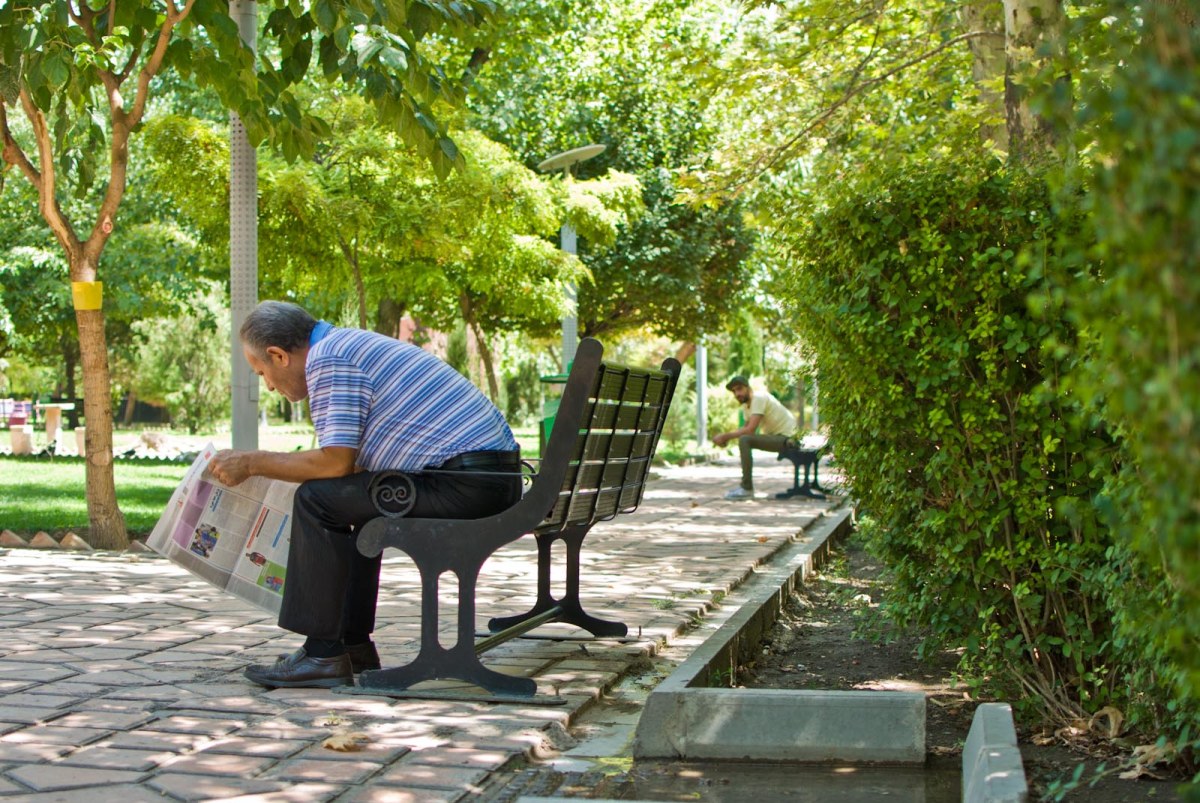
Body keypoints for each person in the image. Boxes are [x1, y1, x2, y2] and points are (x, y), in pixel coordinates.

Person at [208, 301, 522, 689]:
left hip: (467, 485)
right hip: (484, 479)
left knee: (316, 500)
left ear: (278, 355)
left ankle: (322, 654)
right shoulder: (342, 346)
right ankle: (351, 646)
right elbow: (349, 467)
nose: (269, 385)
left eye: (262, 373)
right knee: (344, 501)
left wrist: (252, 462)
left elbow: (335, 463)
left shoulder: (329, 359)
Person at [712, 375, 797, 500]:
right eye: (734, 391)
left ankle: (746, 489)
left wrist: (725, 436)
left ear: (748, 388)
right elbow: (745, 430)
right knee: (744, 439)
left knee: (744, 440)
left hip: (789, 439)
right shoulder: (747, 406)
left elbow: (750, 430)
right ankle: (745, 488)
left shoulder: (758, 398)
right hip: (780, 438)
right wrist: (726, 439)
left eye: (739, 389)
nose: (737, 394)